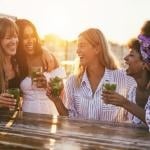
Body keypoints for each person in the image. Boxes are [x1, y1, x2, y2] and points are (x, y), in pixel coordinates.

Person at [47, 28, 136, 122]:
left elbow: (135, 118)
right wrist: (57, 101)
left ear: (97, 48)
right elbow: (70, 120)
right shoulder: (72, 82)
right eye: (77, 46)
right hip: (81, 137)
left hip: (113, 137)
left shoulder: (124, 79)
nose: (77, 51)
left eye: (82, 45)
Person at [102, 21, 150, 126]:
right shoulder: (132, 91)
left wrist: (124, 103)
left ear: (144, 63)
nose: (125, 58)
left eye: (131, 55)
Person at [15, 19, 66, 115]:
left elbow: (62, 91)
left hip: (50, 113)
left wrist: (48, 84)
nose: (30, 41)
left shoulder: (48, 58)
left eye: (33, 36)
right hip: (27, 115)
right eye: (25, 37)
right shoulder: (16, 62)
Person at [0, 17, 20, 113]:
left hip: (12, 124)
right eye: (8, 38)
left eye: (15, 36)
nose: (13, 41)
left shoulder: (16, 63)